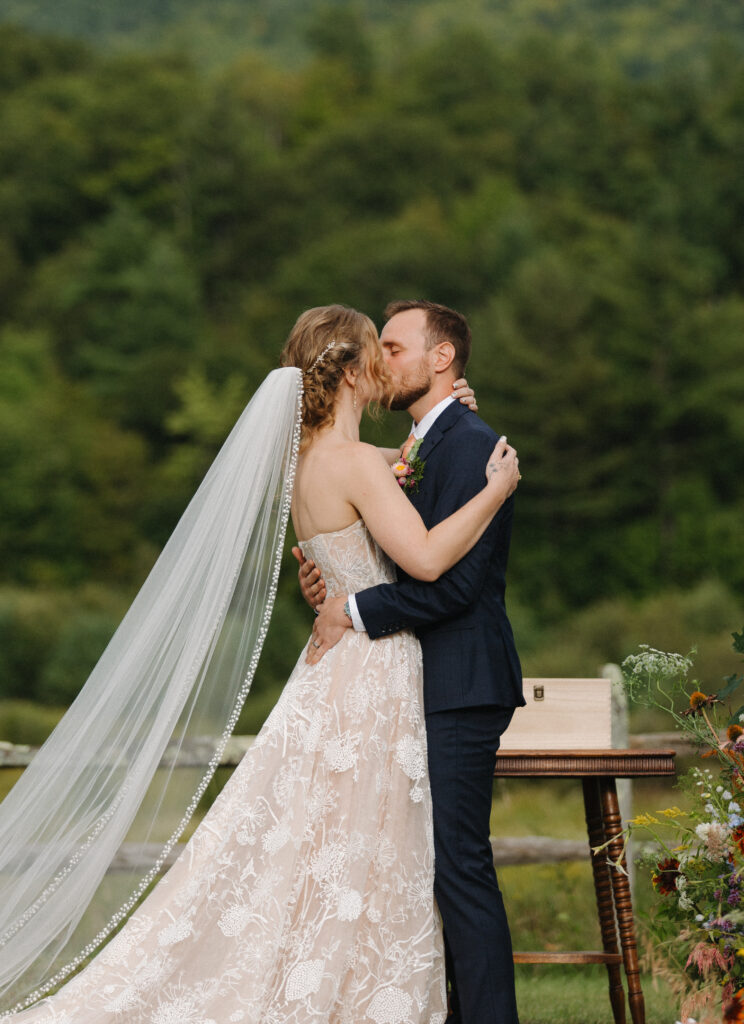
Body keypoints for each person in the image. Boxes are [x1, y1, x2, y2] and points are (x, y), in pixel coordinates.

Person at [2, 304, 519, 1023]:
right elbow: (427, 556)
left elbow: (406, 474)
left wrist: (449, 414)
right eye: (378, 352)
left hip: (339, 672)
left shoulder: (310, 462)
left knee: (327, 845)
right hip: (369, 675)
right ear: (349, 370)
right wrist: (497, 489)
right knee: (363, 845)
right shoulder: (352, 464)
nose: (384, 366)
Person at [296, 300, 525, 1024]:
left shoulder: (469, 445)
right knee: (415, 866)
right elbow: (393, 552)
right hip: (403, 681)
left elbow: (455, 585)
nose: (380, 360)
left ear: (441, 358)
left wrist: (356, 608)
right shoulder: (415, 447)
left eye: (395, 347)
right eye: (377, 349)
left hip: (459, 681)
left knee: (457, 867)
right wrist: (332, 583)